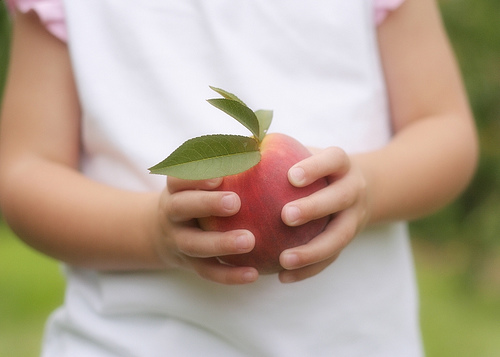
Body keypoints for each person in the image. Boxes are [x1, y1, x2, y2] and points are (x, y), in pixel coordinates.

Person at [0, 0, 478, 356]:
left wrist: (367, 189)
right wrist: (152, 231)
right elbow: (24, 172)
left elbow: (446, 130)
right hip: (128, 342)